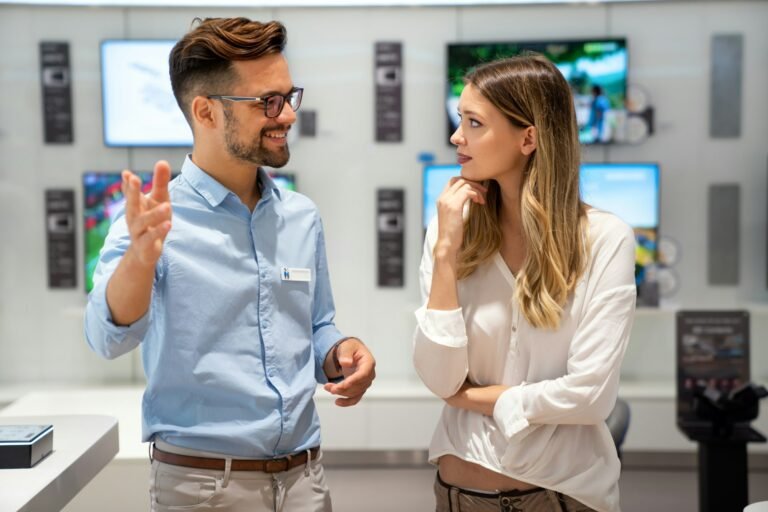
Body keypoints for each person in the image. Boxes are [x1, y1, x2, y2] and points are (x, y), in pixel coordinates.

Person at [84, 17, 376, 512]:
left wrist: (341, 351)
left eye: (288, 96)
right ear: (206, 112)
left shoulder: (301, 217)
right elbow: (106, 336)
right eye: (268, 102)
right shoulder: (155, 222)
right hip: (204, 489)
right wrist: (140, 258)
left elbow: (317, 325)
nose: (286, 115)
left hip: (306, 478)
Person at [413, 54, 636, 512]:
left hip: (561, 498)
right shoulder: (449, 232)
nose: (457, 137)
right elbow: (440, 378)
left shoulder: (604, 239)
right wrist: (444, 256)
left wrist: (475, 397)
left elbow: (591, 397)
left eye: (474, 123)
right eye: (460, 120)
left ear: (528, 138)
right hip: (456, 497)